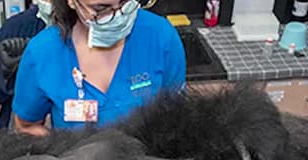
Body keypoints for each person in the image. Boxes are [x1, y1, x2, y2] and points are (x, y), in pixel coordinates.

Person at [10, 0, 185, 135]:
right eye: (101, 9)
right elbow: (27, 126)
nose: (119, 16)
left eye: (125, 3)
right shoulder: (43, 53)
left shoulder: (161, 37)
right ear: (71, 2)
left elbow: (176, 119)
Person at [0, 0, 51, 130]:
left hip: (78, 142)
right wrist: (3, 71)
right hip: (18, 140)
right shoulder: (22, 26)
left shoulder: (92, 36)